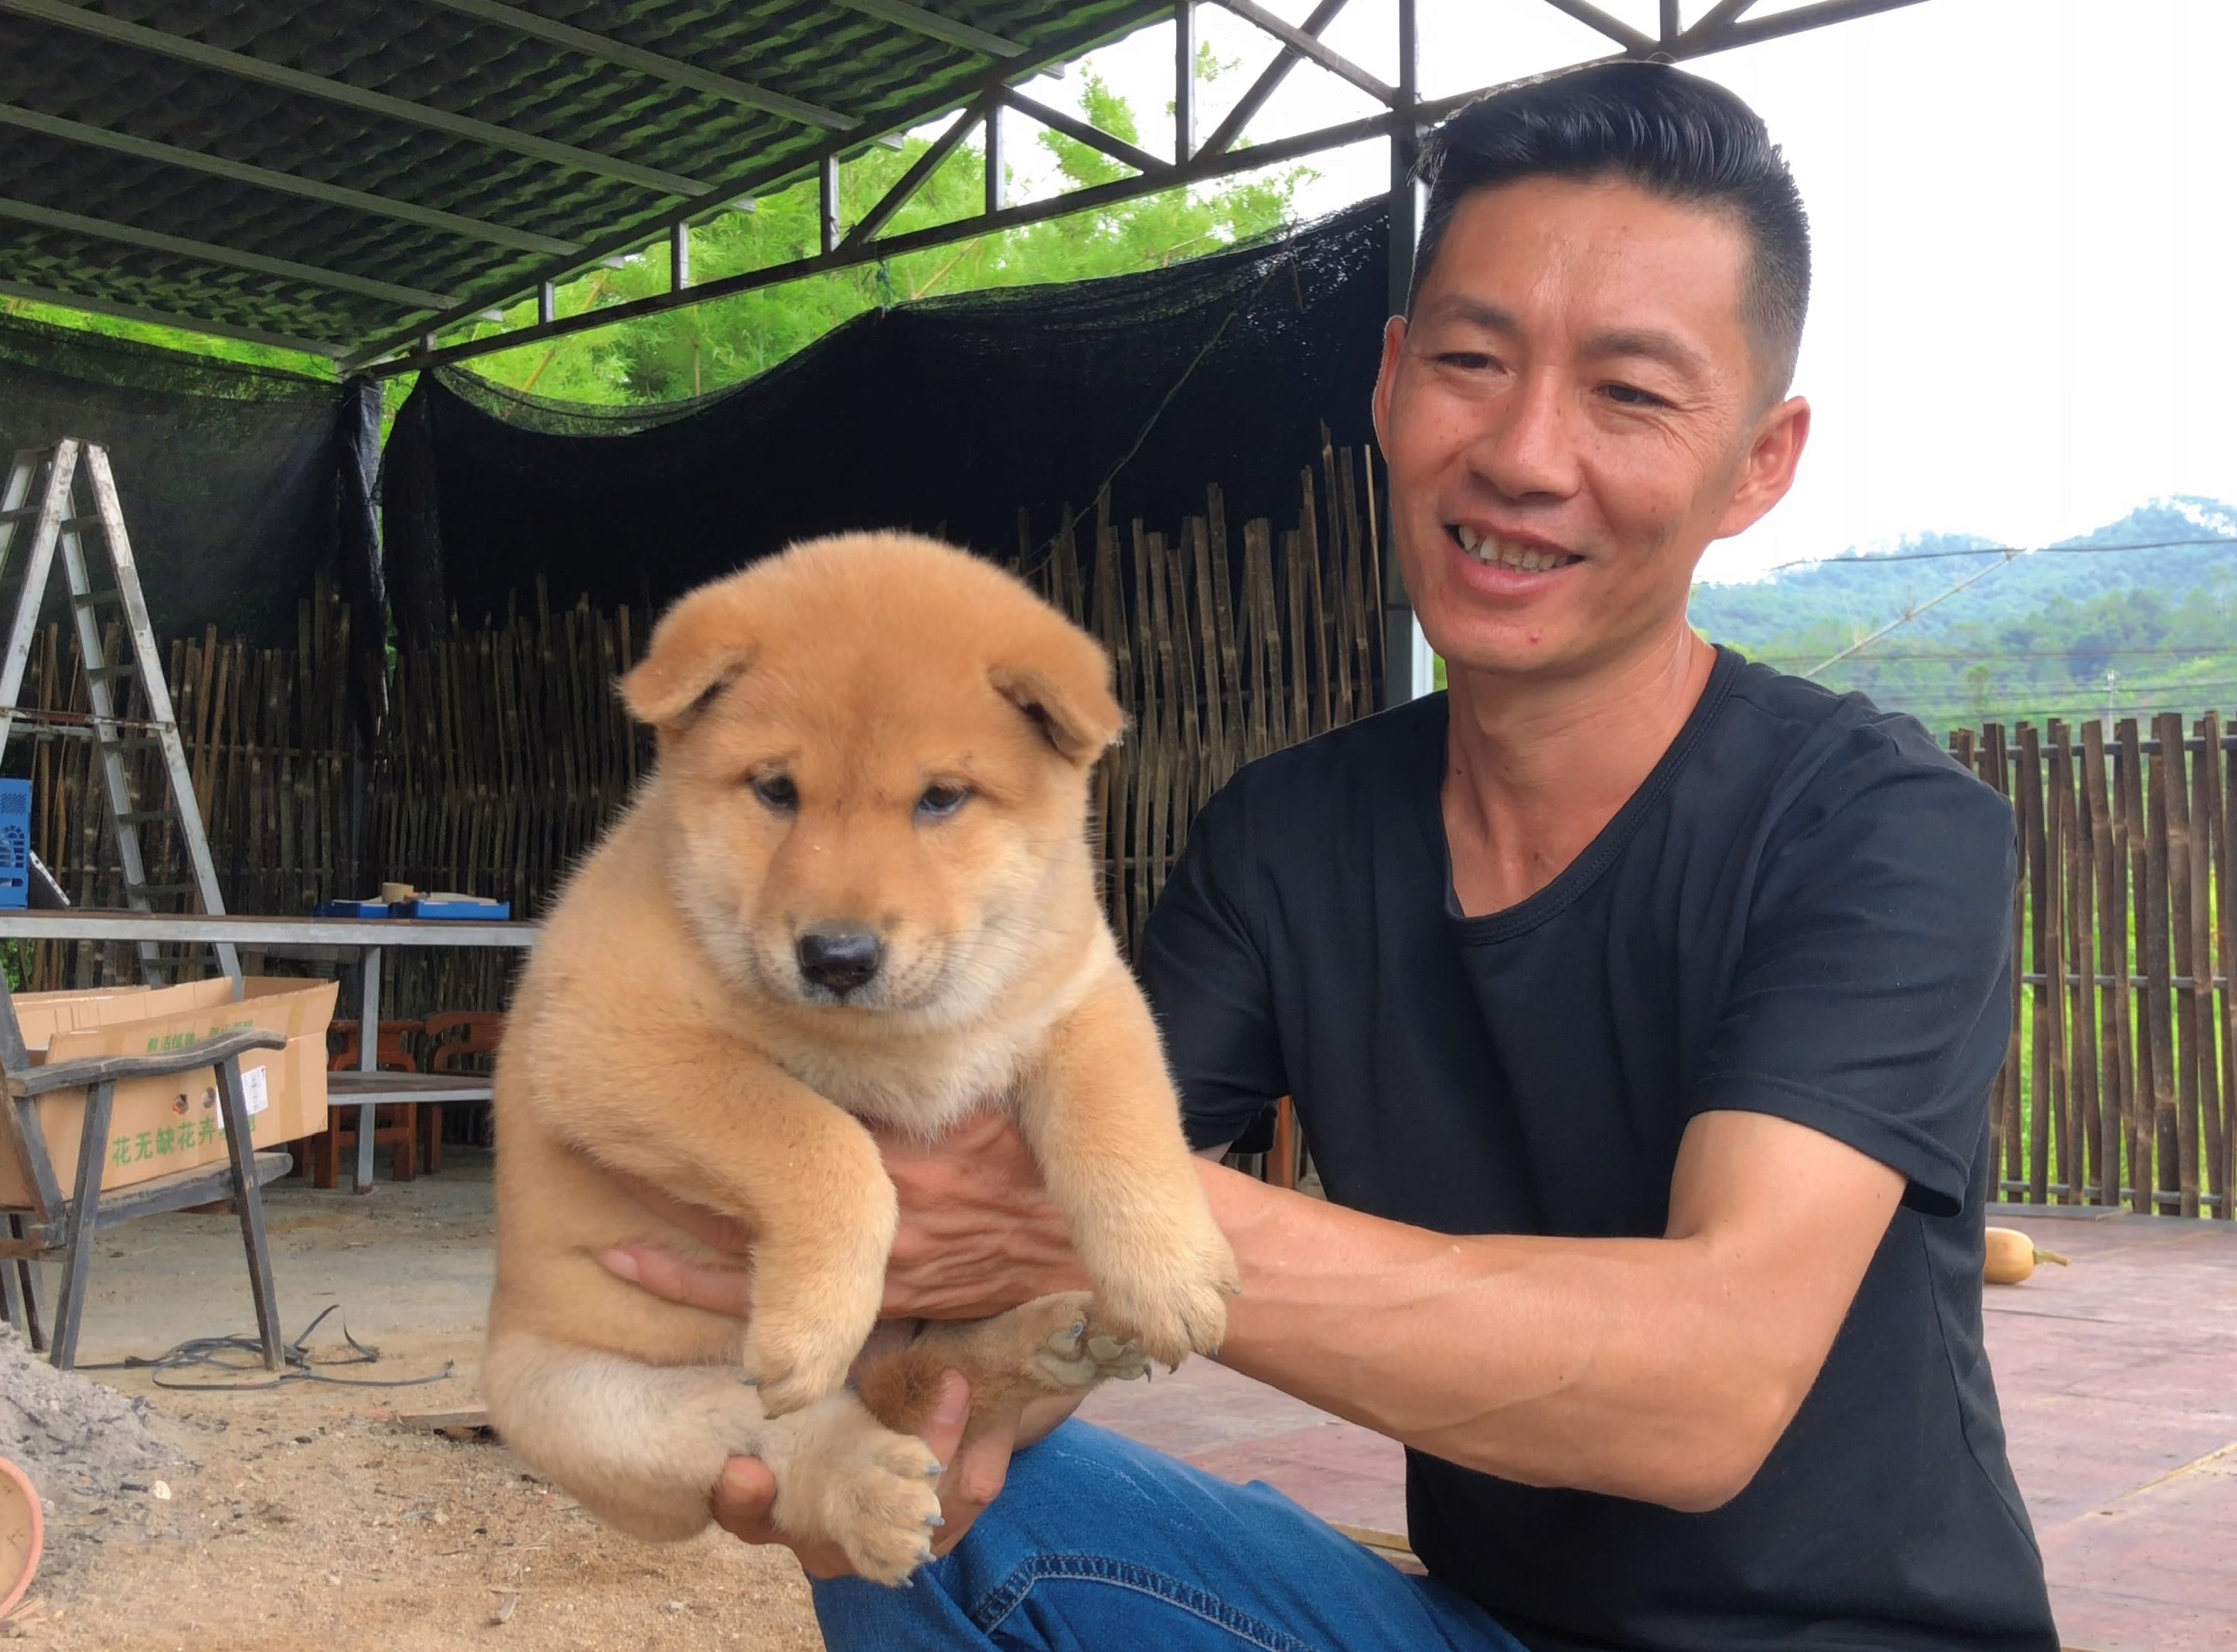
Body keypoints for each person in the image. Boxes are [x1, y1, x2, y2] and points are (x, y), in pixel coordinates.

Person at [600, 60, 2061, 1652]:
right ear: (1387, 382)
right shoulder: (1288, 840)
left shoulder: (1876, 828)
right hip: (1488, 1631)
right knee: (913, 1506)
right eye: (1472, 360)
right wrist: (909, 1407)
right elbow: (1029, 1240)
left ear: (1760, 462)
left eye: (1630, 393)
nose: (1521, 452)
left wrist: (1094, 1203)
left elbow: (1704, 1395)